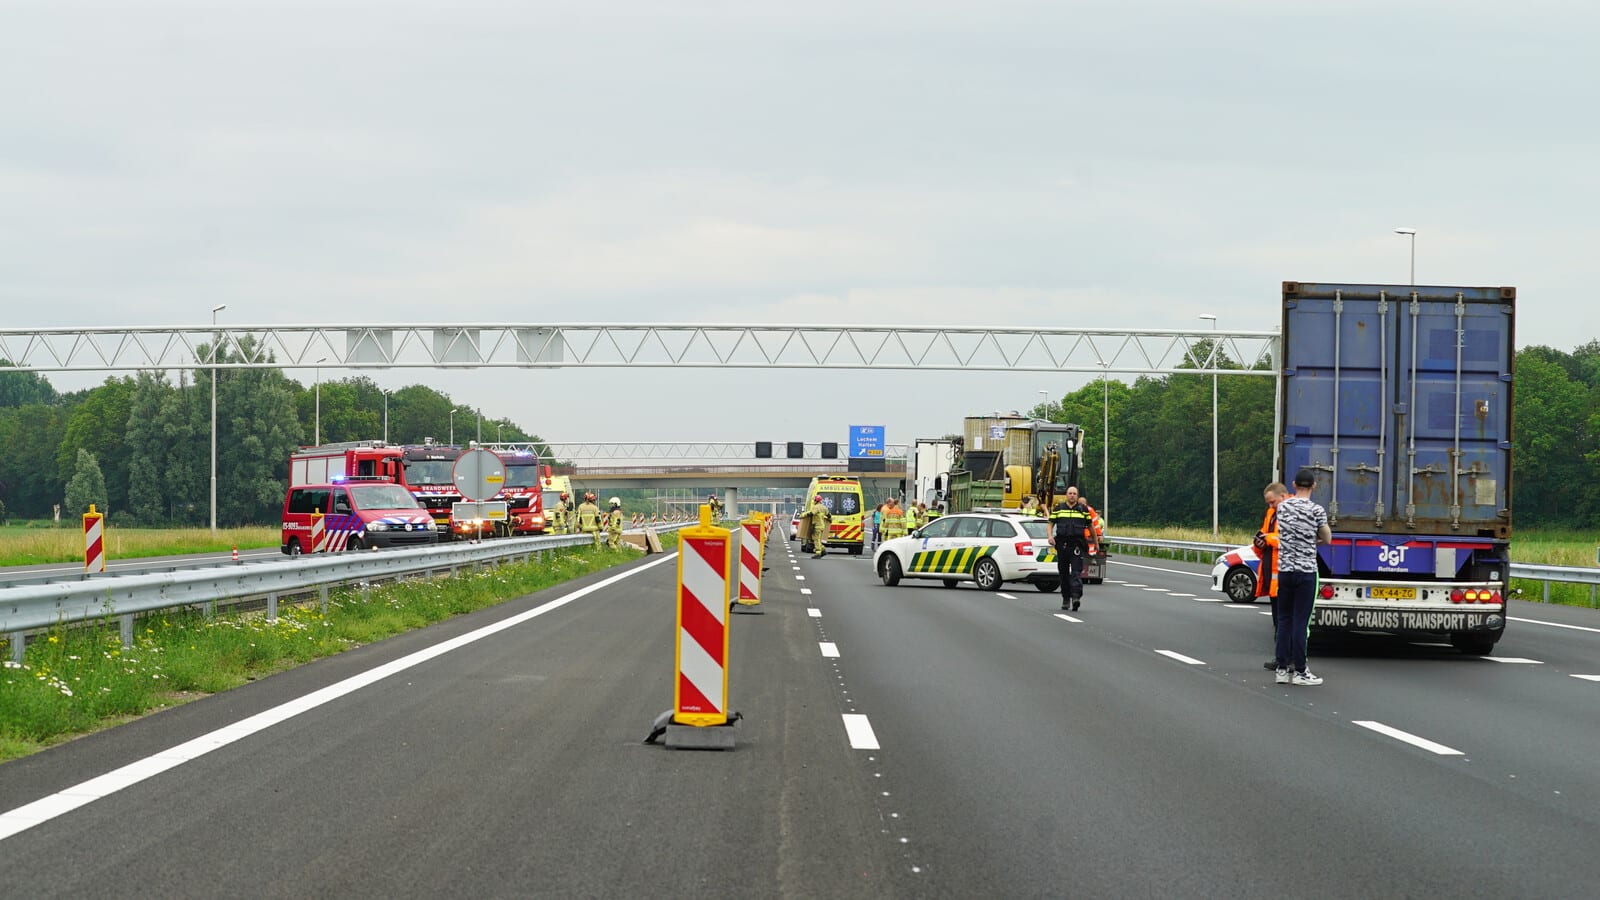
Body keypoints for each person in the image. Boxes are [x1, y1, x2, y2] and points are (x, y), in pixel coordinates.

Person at [1274, 469, 1332, 686]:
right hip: (1306, 571)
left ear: (1293, 484)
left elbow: (1286, 532)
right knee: (1301, 622)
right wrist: (1313, 541)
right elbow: (1327, 537)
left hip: (1285, 571)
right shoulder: (1317, 510)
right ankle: (1300, 671)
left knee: (1284, 620)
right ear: (1314, 486)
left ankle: (1281, 669)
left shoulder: (1282, 507)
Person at [1256, 482, 1288, 670]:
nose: (1270, 506)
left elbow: (1284, 539)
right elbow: (1265, 533)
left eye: (1272, 502)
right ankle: (1280, 657)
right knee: (1278, 619)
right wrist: (1259, 542)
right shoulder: (1271, 513)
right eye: (1268, 503)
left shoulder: (1290, 513)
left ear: (1282, 496)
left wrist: (1266, 538)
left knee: (1285, 620)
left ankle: (1286, 658)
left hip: (1284, 575)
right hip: (1272, 576)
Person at [1049, 486, 1094, 611]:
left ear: (1077, 495)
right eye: (1070, 493)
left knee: (1076, 573)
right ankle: (1065, 598)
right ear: (1066, 495)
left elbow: (1091, 527)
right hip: (1062, 545)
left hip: (1077, 545)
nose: (1072, 495)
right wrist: (1050, 536)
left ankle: (1076, 597)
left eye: (1074, 493)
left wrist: (1095, 543)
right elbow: (1050, 523)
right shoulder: (1059, 509)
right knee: (1063, 574)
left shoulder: (1083, 510)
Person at [804, 493, 831, 559]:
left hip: (816, 526)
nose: (813, 501)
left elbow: (811, 513)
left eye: (814, 500)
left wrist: (803, 515)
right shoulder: (824, 507)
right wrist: (830, 520)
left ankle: (818, 553)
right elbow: (829, 515)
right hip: (822, 526)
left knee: (816, 539)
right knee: (818, 539)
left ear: (816, 500)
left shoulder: (816, 507)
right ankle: (823, 550)